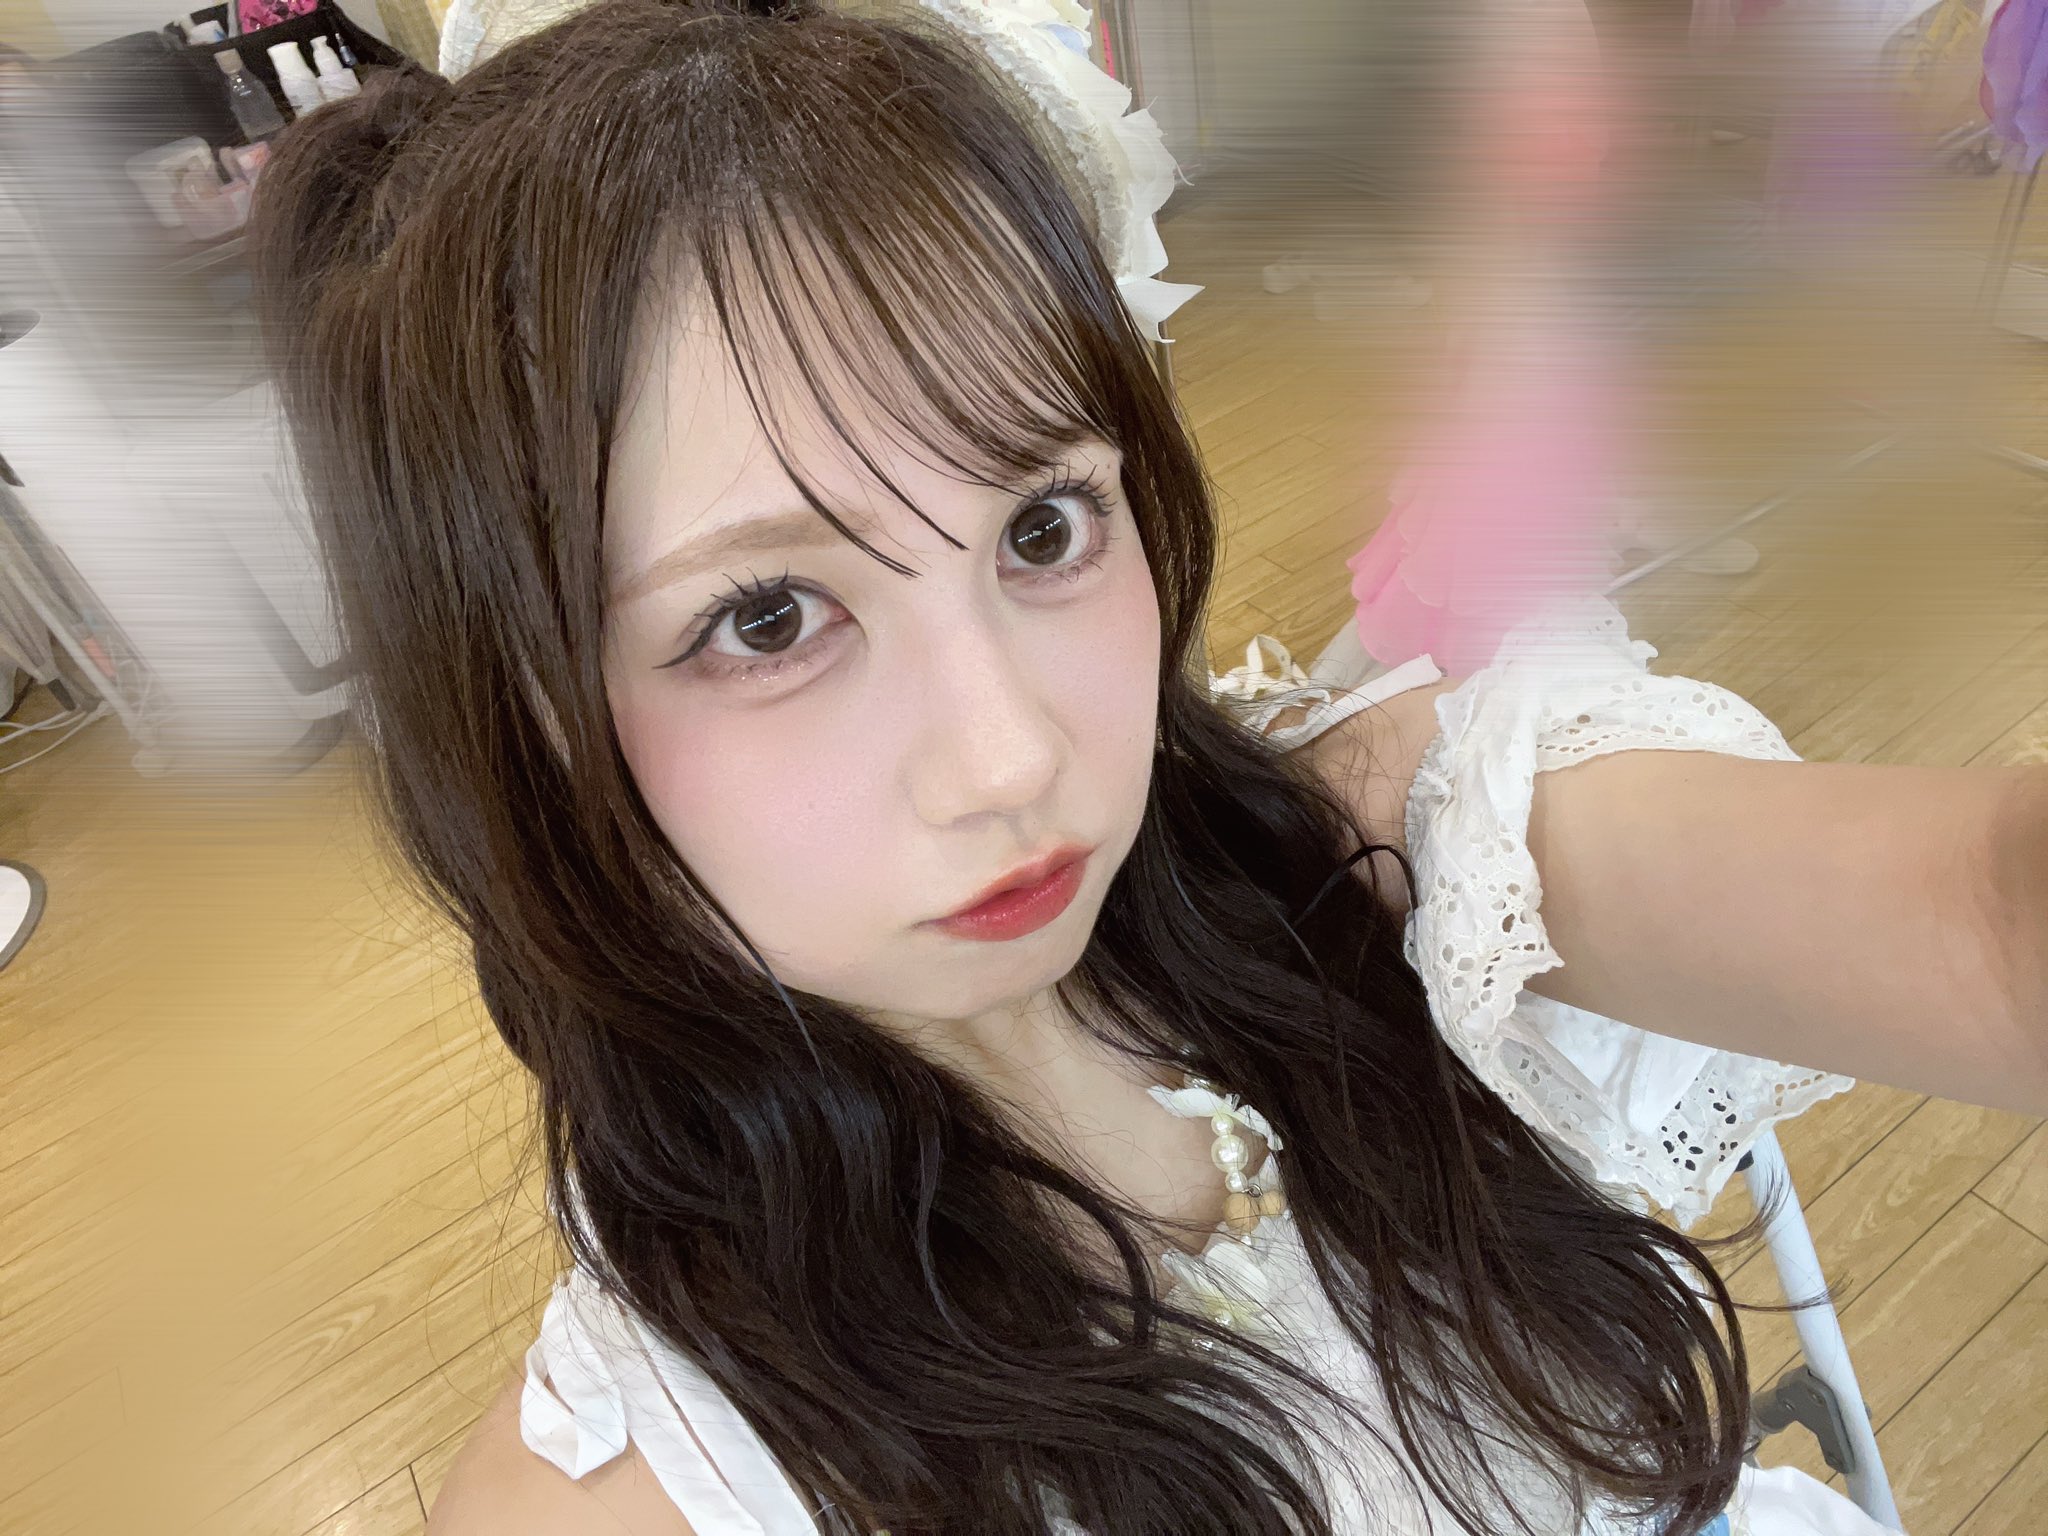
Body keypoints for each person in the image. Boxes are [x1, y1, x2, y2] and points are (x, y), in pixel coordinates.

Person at [249, 3, 2045, 1532]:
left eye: (1043, 525)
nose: (1012, 753)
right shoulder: (653, 1486)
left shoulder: (1378, 850)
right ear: (520, 699)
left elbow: (1987, 921)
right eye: (768, 617)